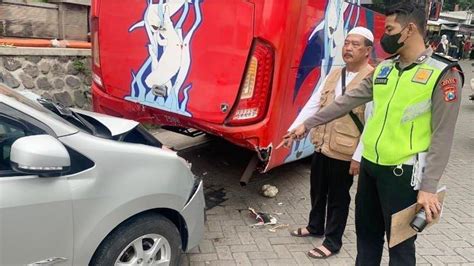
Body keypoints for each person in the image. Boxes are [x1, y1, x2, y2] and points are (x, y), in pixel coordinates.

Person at [283, 2, 464, 265]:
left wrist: (428, 187)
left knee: (400, 248)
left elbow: (443, 136)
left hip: (402, 177)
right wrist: (308, 123)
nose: (385, 36)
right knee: (366, 239)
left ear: (410, 29)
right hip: (370, 169)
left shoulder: (443, 74)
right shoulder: (385, 68)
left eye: (390, 29)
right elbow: (346, 101)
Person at [283, 27, 374, 259]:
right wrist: (296, 128)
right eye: (346, 43)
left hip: (345, 151)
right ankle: (315, 226)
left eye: (355, 44)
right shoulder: (334, 74)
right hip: (322, 144)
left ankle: (332, 242)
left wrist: (358, 156)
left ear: (367, 51)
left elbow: (372, 121)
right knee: (317, 190)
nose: (348, 48)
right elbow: (314, 104)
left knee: (338, 198)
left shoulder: (372, 79)